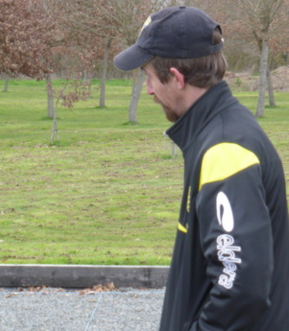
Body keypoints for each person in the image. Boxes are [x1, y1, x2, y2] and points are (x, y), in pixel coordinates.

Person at [114, 6, 289, 330]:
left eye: (150, 77)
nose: (149, 90)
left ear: (177, 79)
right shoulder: (219, 131)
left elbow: (242, 288)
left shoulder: (225, 150)